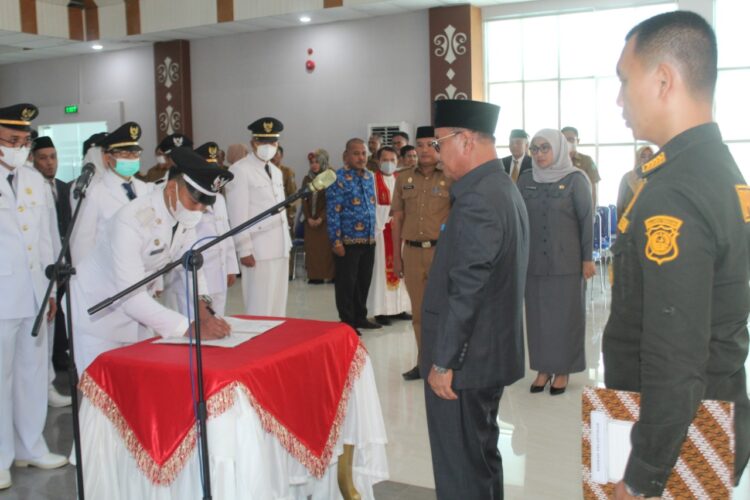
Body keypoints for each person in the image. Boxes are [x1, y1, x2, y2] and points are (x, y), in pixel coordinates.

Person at [603, 11, 749, 499]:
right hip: (707, 414)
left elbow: (675, 354)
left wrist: (643, 474)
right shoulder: (716, 168)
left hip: (680, 438)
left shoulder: (677, 192)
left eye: (625, 81)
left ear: (663, 80)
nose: (619, 99)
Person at [421, 99, 528, 500]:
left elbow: (467, 288)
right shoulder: (498, 186)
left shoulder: (479, 198)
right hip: (486, 354)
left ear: (465, 140)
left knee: (461, 472)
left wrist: (444, 360)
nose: (434, 153)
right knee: (480, 459)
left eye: (439, 143)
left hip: (464, 363)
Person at [69, 147, 233, 374]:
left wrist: (205, 312)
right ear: (173, 188)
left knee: (136, 391)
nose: (199, 210)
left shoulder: (184, 216)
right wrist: (191, 328)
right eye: (195, 202)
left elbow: (191, 267)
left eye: (205, 205)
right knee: (101, 398)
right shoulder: (132, 220)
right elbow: (130, 297)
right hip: (99, 314)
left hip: (138, 315)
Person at [0, 103, 68, 491]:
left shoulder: (33, 182)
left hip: (34, 295)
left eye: (23, 141)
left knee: (31, 373)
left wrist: (53, 289)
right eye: (12, 140)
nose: (19, 148)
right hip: (1, 293)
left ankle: (30, 445)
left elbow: (49, 242)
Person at [518, 129, 594, 396]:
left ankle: (562, 370)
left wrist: (588, 258)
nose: (539, 154)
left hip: (568, 262)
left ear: (559, 149)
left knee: (565, 318)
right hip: (533, 263)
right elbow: (519, 221)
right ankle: (542, 368)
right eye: (535, 149)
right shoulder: (526, 179)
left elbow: (587, 221)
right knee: (537, 318)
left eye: (545, 148)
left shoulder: (576, 180)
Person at [391, 126, 452, 381]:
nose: (425, 150)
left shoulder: (451, 175)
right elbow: (397, 219)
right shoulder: (403, 177)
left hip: (442, 253)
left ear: (439, 147)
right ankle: (423, 362)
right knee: (419, 313)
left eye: (431, 144)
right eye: (420, 145)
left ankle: (446, 364)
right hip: (413, 253)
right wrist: (396, 257)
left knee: (446, 312)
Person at [224, 117, 291, 317]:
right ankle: (260, 346)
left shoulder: (277, 172)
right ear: (254, 143)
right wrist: (243, 249)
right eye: (263, 142)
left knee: (278, 306)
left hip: (280, 246)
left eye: (272, 142)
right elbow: (237, 213)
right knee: (259, 306)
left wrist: (286, 244)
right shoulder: (239, 170)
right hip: (257, 249)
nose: (268, 146)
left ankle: (277, 343)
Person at [163, 142, 239, 316]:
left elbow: (225, 233)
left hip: (218, 271)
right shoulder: (185, 199)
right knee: (194, 324)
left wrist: (231, 267)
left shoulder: (218, 200)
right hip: (194, 275)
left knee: (218, 320)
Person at [69, 122, 153, 265]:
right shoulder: (94, 191)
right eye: (124, 154)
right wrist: (85, 282)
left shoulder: (145, 189)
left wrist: (157, 281)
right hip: (107, 276)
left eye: (135, 153)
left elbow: (152, 235)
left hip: (143, 274)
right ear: (108, 158)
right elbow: (82, 242)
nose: (131, 158)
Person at [30, 136, 73, 408]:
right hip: (31, 269)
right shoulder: (27, 186)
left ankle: (50, 379)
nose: (49, 162)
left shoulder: (63, 188)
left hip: (57, 264)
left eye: (53, 156)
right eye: (43, 157)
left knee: (55, 320)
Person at [326, 138, 380, 333]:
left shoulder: (370, 177)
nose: (361, 157)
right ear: (346, 156)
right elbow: (333, 212)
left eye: (364, 153)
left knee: (363, 281)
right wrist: (336, 240)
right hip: (347, 241)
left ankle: (360, 316)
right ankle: (347, 321)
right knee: (346, 283)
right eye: (356, 153)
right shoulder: (336, 178)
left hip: (368, 238)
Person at [367, 146, 411, 326]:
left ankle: (399, 307)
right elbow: (372, 207)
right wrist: (389, 214)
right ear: (378, 161)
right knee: (380, 272)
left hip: (399, 231)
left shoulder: (400, 179)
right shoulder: (371, 180)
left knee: (401, 268)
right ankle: (381, 310)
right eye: (385, 160)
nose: (389, 164)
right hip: (381, 232)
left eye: (393, 160)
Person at [301, 149, 335, 284]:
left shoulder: (330, 176)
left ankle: (330, 275)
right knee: (312, 250)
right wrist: (308, 217)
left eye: (317, 162)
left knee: (326, 250)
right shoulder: (307, 178)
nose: (314, 165)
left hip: (325, 220)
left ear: (324, 162)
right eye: (311, 162)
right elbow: (304, 199)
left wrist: (321, 218)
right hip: (310, 221)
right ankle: (315, 276)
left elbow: (332, 201)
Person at [271, 144, 299, 279]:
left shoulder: (287, 172)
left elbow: (293, 196)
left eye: (277, 154)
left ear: (281, 156)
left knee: (286, 244)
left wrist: (291, 215)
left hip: (285, 215)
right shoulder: (265, 171)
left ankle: (287, 273)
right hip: (269, 218)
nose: (274, 157)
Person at [561, 126, 601, 207]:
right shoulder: (555, 162)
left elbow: (593, 188)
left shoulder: (587, 161)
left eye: (571, 139)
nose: (567, 143)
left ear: (577, 141)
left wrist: (592, 213)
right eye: (564, 140)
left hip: (582, 207)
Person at [616, 145, 654, 217]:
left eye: (650, 156)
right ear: (637, 158)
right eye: (643, 156)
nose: (647, 159)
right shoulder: (628, 177)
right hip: (629, 219)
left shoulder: (656, 177)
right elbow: (620, 203)